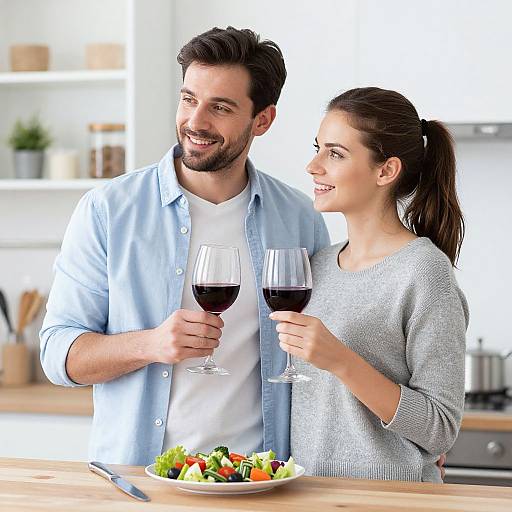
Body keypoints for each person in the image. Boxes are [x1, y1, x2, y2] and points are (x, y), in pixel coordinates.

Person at [40, 27, 330, 465]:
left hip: (260, 480)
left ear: (263, 120)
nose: (195, 121)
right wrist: (151, 344)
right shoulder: (108, 211)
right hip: (141, 482)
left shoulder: (299, 219)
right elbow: (59, 355)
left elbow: (323, 356)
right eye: (189, 98)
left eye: (220, 107)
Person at [271, 87, 468, 482]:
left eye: (335, 153)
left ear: (386, 171)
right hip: (309, 492)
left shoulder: (424, 271)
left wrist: (341, 360)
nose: (313, 165)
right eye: (318, 148)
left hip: (391, 498)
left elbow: (440, 427)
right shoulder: (318, 266)